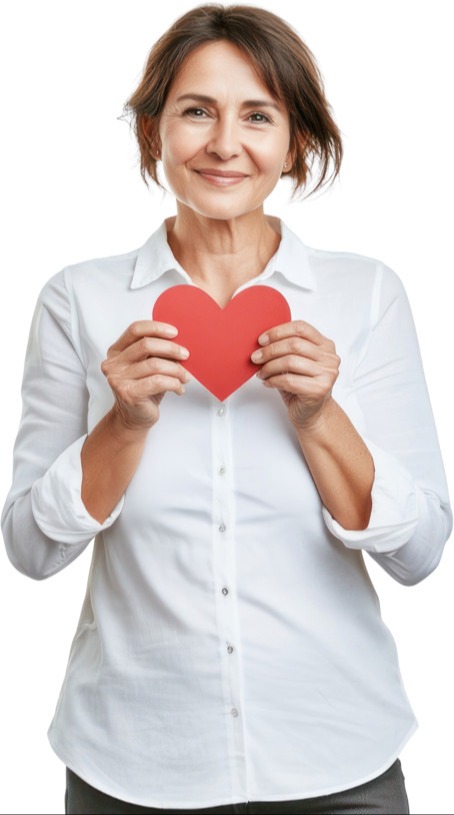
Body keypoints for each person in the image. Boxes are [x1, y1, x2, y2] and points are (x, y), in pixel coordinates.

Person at [2, 4, 451, 814]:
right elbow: (31, 550)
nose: (223, 143)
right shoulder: (78, 298)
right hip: (131, 766)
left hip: (337, 759)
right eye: (196, 111)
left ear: (296, 143)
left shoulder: (367, 293)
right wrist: (125, 422)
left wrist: (319, 416)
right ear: (153, 134)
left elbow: (420, 553)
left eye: (257, 115)